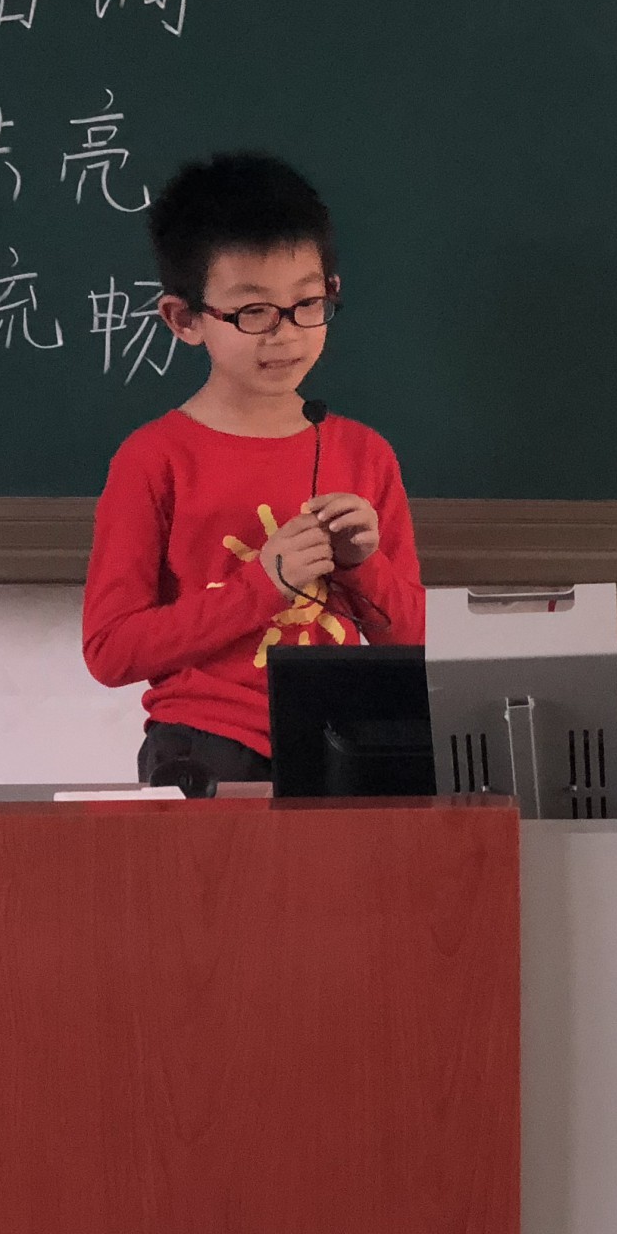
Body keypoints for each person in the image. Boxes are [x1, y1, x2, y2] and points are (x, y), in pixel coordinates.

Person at [82, 152, 424, 789]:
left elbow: (416, 642)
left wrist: (361, 565)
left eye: (307, 303)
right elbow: (110, 650)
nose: (285, 334)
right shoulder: (153, 458)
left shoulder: (365, 454)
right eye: (253, 312)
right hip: (206, 742)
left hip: (346, 740)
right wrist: (263, 585)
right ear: (184, 319)